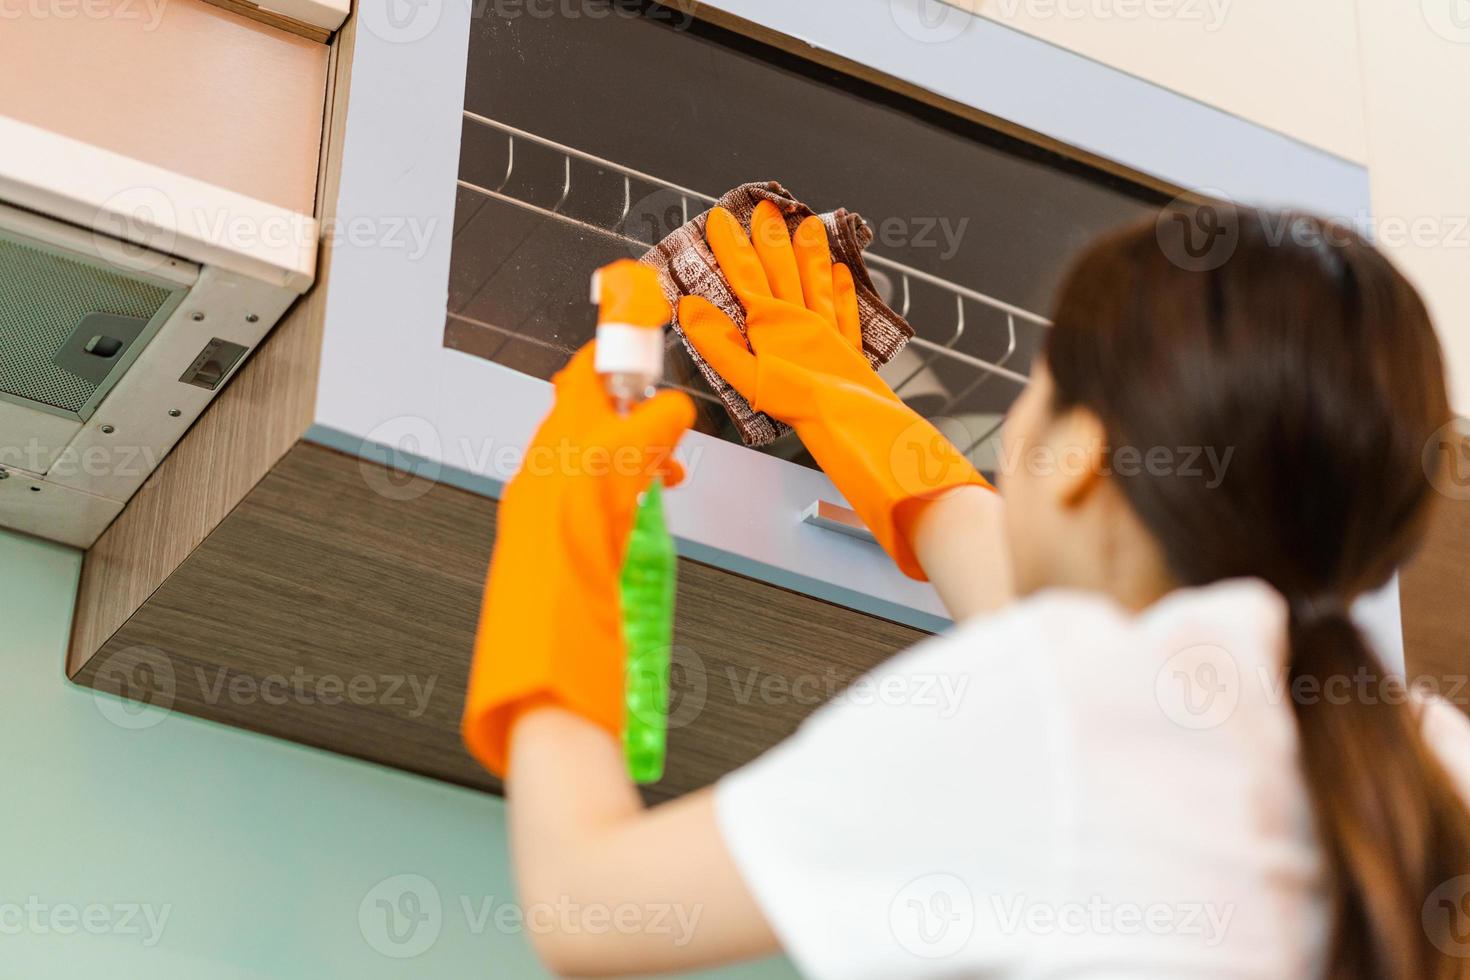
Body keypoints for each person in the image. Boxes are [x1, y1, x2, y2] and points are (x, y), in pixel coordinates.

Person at [461, 201, 1470, 978]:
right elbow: (1106, 679)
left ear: (1076, 451)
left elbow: (587, 900)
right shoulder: (1425, 756)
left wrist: (556, 525)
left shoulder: (1061, 712)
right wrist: (846, 401)